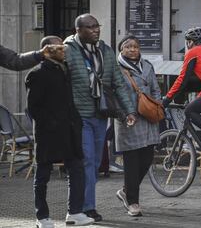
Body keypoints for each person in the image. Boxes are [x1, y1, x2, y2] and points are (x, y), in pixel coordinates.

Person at [64, 13, 137, 222]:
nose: (96, 30)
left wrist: (129, 110)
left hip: (101, 114)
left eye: (97, 26)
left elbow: (118, 83)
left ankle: (87, 206)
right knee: (86, 161)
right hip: (79, 116)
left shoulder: (105, 50)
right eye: (90, 27)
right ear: (78, 30)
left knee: (95, 163)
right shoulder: (68, 51)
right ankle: (84, 208)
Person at [25, 36, 94, 227]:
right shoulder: (37, 73)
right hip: (49, 133)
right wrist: (52, 124)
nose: (64, 51)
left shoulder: (65, 70)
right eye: (60, 48)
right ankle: (42, 217)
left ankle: (75, 212)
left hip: (70, 131)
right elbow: (34, 107)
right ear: (47, 50)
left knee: (77, 169)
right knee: (43, 175)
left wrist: (76, 122)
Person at [114, 35, 161, 217]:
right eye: (128, 47)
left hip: (148, 117)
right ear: (121, 49)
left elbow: (156, 88)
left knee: (147, 158)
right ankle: (133, 202)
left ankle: (126, 190)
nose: (133, 49)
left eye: (136, 46)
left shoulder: (147, 65)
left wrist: (155, 105)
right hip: (130, 118)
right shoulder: (117, 68)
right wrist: (125, 113)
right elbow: (114, 94)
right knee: (132, 161)